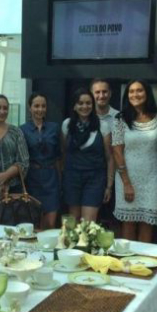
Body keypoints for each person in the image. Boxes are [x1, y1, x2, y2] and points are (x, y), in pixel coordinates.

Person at [112, 79, 157, 242]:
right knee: (128, 224)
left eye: (139, 90)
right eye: (131, 91)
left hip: (152, 177)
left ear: (147, 93)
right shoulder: (120, 119)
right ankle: (128, 265)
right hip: (127, 177)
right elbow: (117, 151)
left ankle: (144, 265)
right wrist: (127, 183)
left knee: (146, 223)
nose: (135, 94)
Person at [61, 88, 112, 222]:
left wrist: (109, 186)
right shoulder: (66, 125)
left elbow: (109, 158)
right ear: (74, 106)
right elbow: (63, 153)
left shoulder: (103, 125)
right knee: (73, 221)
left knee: (88, 223)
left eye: (88, 103)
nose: (85, 106)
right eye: (80, 103)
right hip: (72, 178)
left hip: (95, 179)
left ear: (93, 105)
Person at [20, 93, 61, 229]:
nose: (40, 109)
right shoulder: (22, 130)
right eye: (36, 106)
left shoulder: (54, 128)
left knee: (50, 224)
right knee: (35, 224)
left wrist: (60, 180)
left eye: (43, 106)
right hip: (32, 178)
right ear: (29, 108)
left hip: (51, 178)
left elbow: (59, 155)